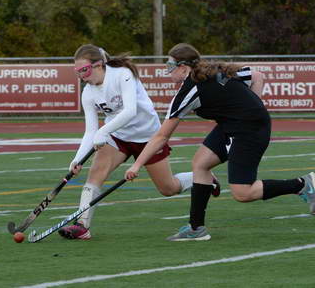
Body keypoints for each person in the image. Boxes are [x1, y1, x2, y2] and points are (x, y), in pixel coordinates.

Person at [125, 43, 315, 241]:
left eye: (170, 67)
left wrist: (137, 164)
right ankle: (196, 228)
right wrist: (253, 105)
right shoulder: (211, 71)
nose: (167, 72)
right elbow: (258, 76)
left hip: (249, 129)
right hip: (234, 124)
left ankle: (301, 185)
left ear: (183, 68)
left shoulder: (191, 90)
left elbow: (161, 136)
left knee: (243, 192)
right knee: (200, 164)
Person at [59, 44, 220, 240]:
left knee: (168, 188)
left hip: (148, 137)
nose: (81, 75)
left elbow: (130, 111)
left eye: (84, 70)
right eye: (77, 71)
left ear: (99, 65)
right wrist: (77, 159)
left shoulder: (122, 74)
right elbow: (90, 131)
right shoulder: (88, 93)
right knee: (95, 173)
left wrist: (103, 131)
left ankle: (206, 179)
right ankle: (82, 225)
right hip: (117, 136)